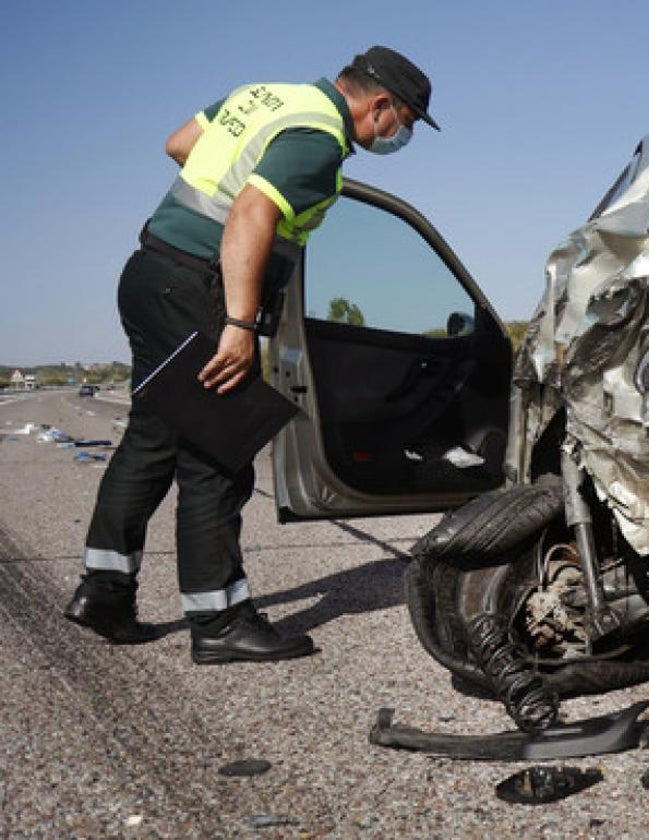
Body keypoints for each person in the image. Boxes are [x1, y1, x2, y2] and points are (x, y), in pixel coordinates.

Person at [64, 46, 439, 663]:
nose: (401, 133)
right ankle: (218, 621)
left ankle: (104, 591)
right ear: (380, 105)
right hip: (201, 292)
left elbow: (180, 144)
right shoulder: (319, 139)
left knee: (152, 441)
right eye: (406, 120)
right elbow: (252, 212)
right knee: (218, 455)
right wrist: (239, 322)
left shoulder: (264, 96)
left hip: (152, 273)